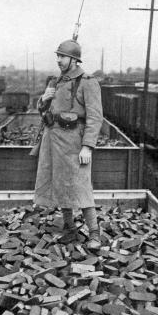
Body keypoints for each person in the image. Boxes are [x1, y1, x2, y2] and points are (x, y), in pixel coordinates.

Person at [34, 39, 103, 249]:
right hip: (52, 140)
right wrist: (43, 100)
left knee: (81, 186)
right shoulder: (55, 82)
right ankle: (70, 229)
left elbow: (95, 117)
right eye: (57, 56)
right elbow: (45, 112)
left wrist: (87, 146)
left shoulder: (88, 82)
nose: (58, 60)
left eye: (62, 57)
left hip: (74, 142)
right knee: (58, 184)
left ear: (74, 59)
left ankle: (94, 234)